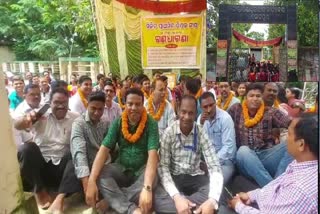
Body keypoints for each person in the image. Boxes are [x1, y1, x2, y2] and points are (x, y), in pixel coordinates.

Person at [86, 88, 159, 214]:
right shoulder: (118, 122)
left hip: (142, 171)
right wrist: (91, 181)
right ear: (124, 104)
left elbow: (153, 155)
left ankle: (111, 201)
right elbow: (103, 150)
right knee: (101, 173)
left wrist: (147, 188)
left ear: (143, 105)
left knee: (154, 177)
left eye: (138, 104)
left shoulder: (151, 123)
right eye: (130, 104)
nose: (134, 108)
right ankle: (132, 210)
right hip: (122, 169)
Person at [229, 113, 318, 214]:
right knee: (238, 180)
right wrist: (252, 195)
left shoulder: (300, 190)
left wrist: (239, 206)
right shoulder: (301, 164)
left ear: (301, 144)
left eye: (288, 134)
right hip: (268, 195)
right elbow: (277, 184)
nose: (286, 140)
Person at [15, 88, 80, 211]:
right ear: (49, 103)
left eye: (64, 103)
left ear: (68, 103)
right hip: (41, 167)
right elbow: (17, 125)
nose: (60, 106)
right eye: (56, 102)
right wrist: (26, 120)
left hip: (62, 168)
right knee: (26, 148)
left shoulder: (76, 118)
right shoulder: (39, 115)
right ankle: (40, 191)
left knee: (77, 152)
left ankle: (60, 197)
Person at [156, 95, 223, 214]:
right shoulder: (169, 132)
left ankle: (184, 208)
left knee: (217, 194)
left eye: (191, 113)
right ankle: (194, 208)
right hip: (174, 177)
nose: (186, 117)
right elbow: (163, 167)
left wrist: (212, 199)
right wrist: (177, 197)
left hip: (195, 176)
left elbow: (215, 167)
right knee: (157, 198)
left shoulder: (201, 132)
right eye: (183, 112)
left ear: (196, 113)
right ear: (178, 110)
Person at [228, 83, 292, 187]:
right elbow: (222, 121)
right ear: (245, 97)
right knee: (243, 150)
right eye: (251, 95)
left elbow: (293, 123)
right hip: (245, 160)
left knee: (292, 144)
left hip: (266, 156)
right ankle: (273, 188)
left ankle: (278, 180)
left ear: (262, 97)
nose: (255, 99)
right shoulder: (236, 109)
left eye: (258, 96)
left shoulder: (271, 112)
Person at [71, 91, 111, 213]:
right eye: (93, 108)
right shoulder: (79, 124)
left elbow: (112, 145)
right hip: (88, 165)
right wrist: (86, 183)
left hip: (105, 164)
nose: (97, 112)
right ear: (87, 105)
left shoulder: (105, 122)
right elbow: (79, 151)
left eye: (100, 109)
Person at [198, 92, 236, 184]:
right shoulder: (201, 119)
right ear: (201, 108)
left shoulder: (225, 118)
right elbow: (197, 143)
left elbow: (228, 148)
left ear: (215, 103)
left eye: (211, 105)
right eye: (205, 107)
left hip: (225, 162)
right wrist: (200, 125)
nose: (209, 109)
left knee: (216, 184)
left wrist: (211, 163)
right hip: (207, 160)